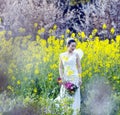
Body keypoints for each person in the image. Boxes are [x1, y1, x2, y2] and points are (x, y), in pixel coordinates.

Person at [56, 37, 83, 115]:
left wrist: (80, 78)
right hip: (66, 78)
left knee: (74, 97)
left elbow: (79, 66)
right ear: (67, 45)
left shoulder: (76, 55)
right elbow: (60, 67)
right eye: (72, 46)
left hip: (74, 78)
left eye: (75, 46)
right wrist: (61, 78)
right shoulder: (62, 55)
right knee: (65, 96)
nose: (74, 48)